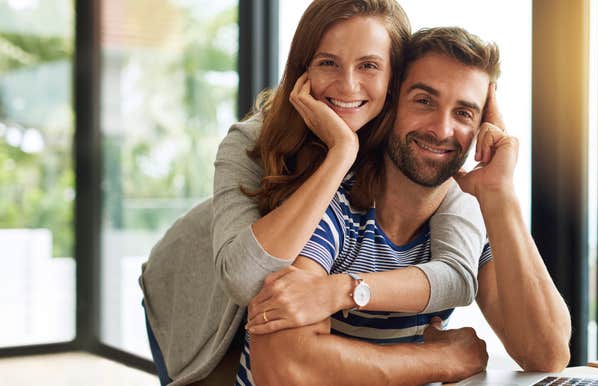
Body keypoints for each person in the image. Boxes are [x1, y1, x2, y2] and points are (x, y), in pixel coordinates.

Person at [139, 1, 488, 385]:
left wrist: (489, 141)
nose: (348, 85)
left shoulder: (407, 142)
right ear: (303, 69)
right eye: (328, 63)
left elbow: (456, 274)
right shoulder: (251, 141)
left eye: (368, 65)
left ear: (394, 76)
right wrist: (341, 153)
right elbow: (243, 279)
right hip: (203, 298)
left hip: (279, 303)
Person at [239, 27, 572, 386]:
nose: (441, 130)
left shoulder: (468, 218)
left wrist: (500, 194)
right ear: (392, 101)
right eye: (424, 101)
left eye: (464, 113)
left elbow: (547, 353)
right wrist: (443, 359)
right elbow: (285, 368)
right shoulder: (332, 204)